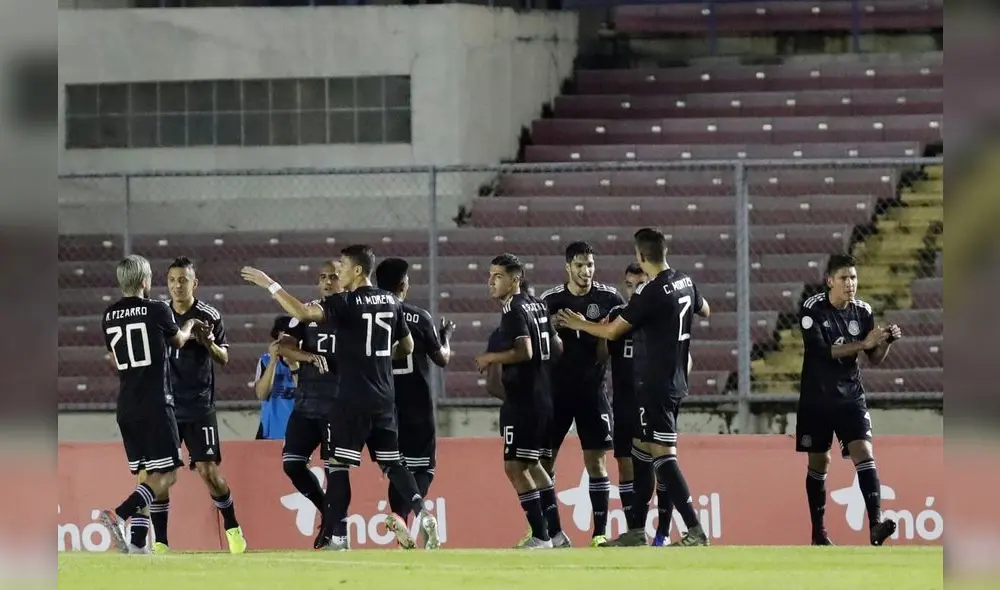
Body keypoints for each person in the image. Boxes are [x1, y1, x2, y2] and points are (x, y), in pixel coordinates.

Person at [240, 245, 440, 551]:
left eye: (343, 268)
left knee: (338, 466)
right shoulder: (391, 301)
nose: (340, 273)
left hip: (352, 399)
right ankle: (423, 513)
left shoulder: (347, 302)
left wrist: (270, 284)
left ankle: (339, 537)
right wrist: (379, 356)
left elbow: (303, 312)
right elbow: (408, 348)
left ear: (357, 271)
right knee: (393, 464)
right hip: (385, 397)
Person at [557, 228, 711, 547]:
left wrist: (578, 324)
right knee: (641, 452)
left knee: (663, 457)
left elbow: (613, 331)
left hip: (656, 383)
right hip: (674, 379)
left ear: (641, 256)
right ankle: (637, 530)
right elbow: (704, 309)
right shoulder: (684, 281)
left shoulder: (651, 293)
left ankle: (695, 529)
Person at [97, 254, 206, 554]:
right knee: (168, 473)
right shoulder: (157, 309)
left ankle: (137, 544)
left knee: (146, 475)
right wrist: (192, 324)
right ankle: (118, 514)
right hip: (156, 402)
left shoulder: (108, 315)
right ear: (146, 281)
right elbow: (179, 341)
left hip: (127, 405)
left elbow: (115, 356)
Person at [795, 253, 902, 546]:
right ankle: (818, 533)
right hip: (816, 399)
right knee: (819, 463)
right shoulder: (811, 309)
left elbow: (875, 358)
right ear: (830, 280)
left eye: (853, 278)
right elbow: (820, 351)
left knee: (864, 453)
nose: (850, 284)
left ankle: (876, 526)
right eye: (844, 278)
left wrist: (885, 342)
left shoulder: (863, 311)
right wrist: (864, 343)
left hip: (850, 397)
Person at [473, 253, 568, 549]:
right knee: (534, 463)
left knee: (514, 467)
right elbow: (558, 346)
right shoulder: (538, 304)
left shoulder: (513, 309)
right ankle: (556, 533)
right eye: (490, 275)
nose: (491, 281)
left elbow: (524, 351)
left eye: (497, 276)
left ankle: (540, 536)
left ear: (514, 280)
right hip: (543, 396)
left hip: (523, 399)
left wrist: (491, 357)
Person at [152, 257, 246, 554]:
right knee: (160, 474)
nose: (178, 285)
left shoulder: (209, 315)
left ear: (195, 283)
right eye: (172, 280)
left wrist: (208, 342)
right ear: (166, 283)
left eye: (184, 280)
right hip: (166, 405)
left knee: (209, 472)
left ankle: (233, 528)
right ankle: (161, 542)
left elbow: (224, 358)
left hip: (199, 405)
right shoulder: (159, 314)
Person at [539, 242, 625, 547]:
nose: (585, 271)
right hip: (557, 393)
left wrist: (595, 329)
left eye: (589, 264)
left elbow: (615, 344)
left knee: (597, 463)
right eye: (579, 265)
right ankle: (548, 532)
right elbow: (539, 346)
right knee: (544, 463)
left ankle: (599, 533)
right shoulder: (549, 300)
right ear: (567, 268)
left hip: (592, 391)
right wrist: (549, 329)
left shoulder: (609, 298)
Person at [374, 258, 456, 543]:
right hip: (417, 406)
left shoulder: (372, 317)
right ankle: (414, 515)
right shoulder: (418, 317)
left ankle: (399, 519)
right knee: (424, 468)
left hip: (384, 405)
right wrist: (445, 338)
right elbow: (441, 359)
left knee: (397, 469)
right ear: (403, 284)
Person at [271, 261, 343, 548]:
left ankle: (337, 531)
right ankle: (328, 512)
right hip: (306, 403)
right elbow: (283, 347)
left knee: (335, 470)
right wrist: (308, 357)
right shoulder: (305, 312)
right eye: (322, 277)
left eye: (334, 277)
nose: (327, 282)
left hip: (337, 405)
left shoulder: (351, 313)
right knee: (292, 464)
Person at [599, 263, 651, 542]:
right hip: (622, 399)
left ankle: (661, 530)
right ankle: (635, 531)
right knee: (624, 462)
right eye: (629, 285)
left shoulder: (656, 313)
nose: (633, 291)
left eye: (639, 285)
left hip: (649, 399)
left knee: (655, 463)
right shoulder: (617, 315)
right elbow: (602, 352)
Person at [253, 315, 299, 440]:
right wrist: (273, 361)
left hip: (299, 431)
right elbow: (261, 394)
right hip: (271, 431)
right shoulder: (266, 360)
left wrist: (293, 364)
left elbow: (304, 394)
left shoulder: (307, 359)